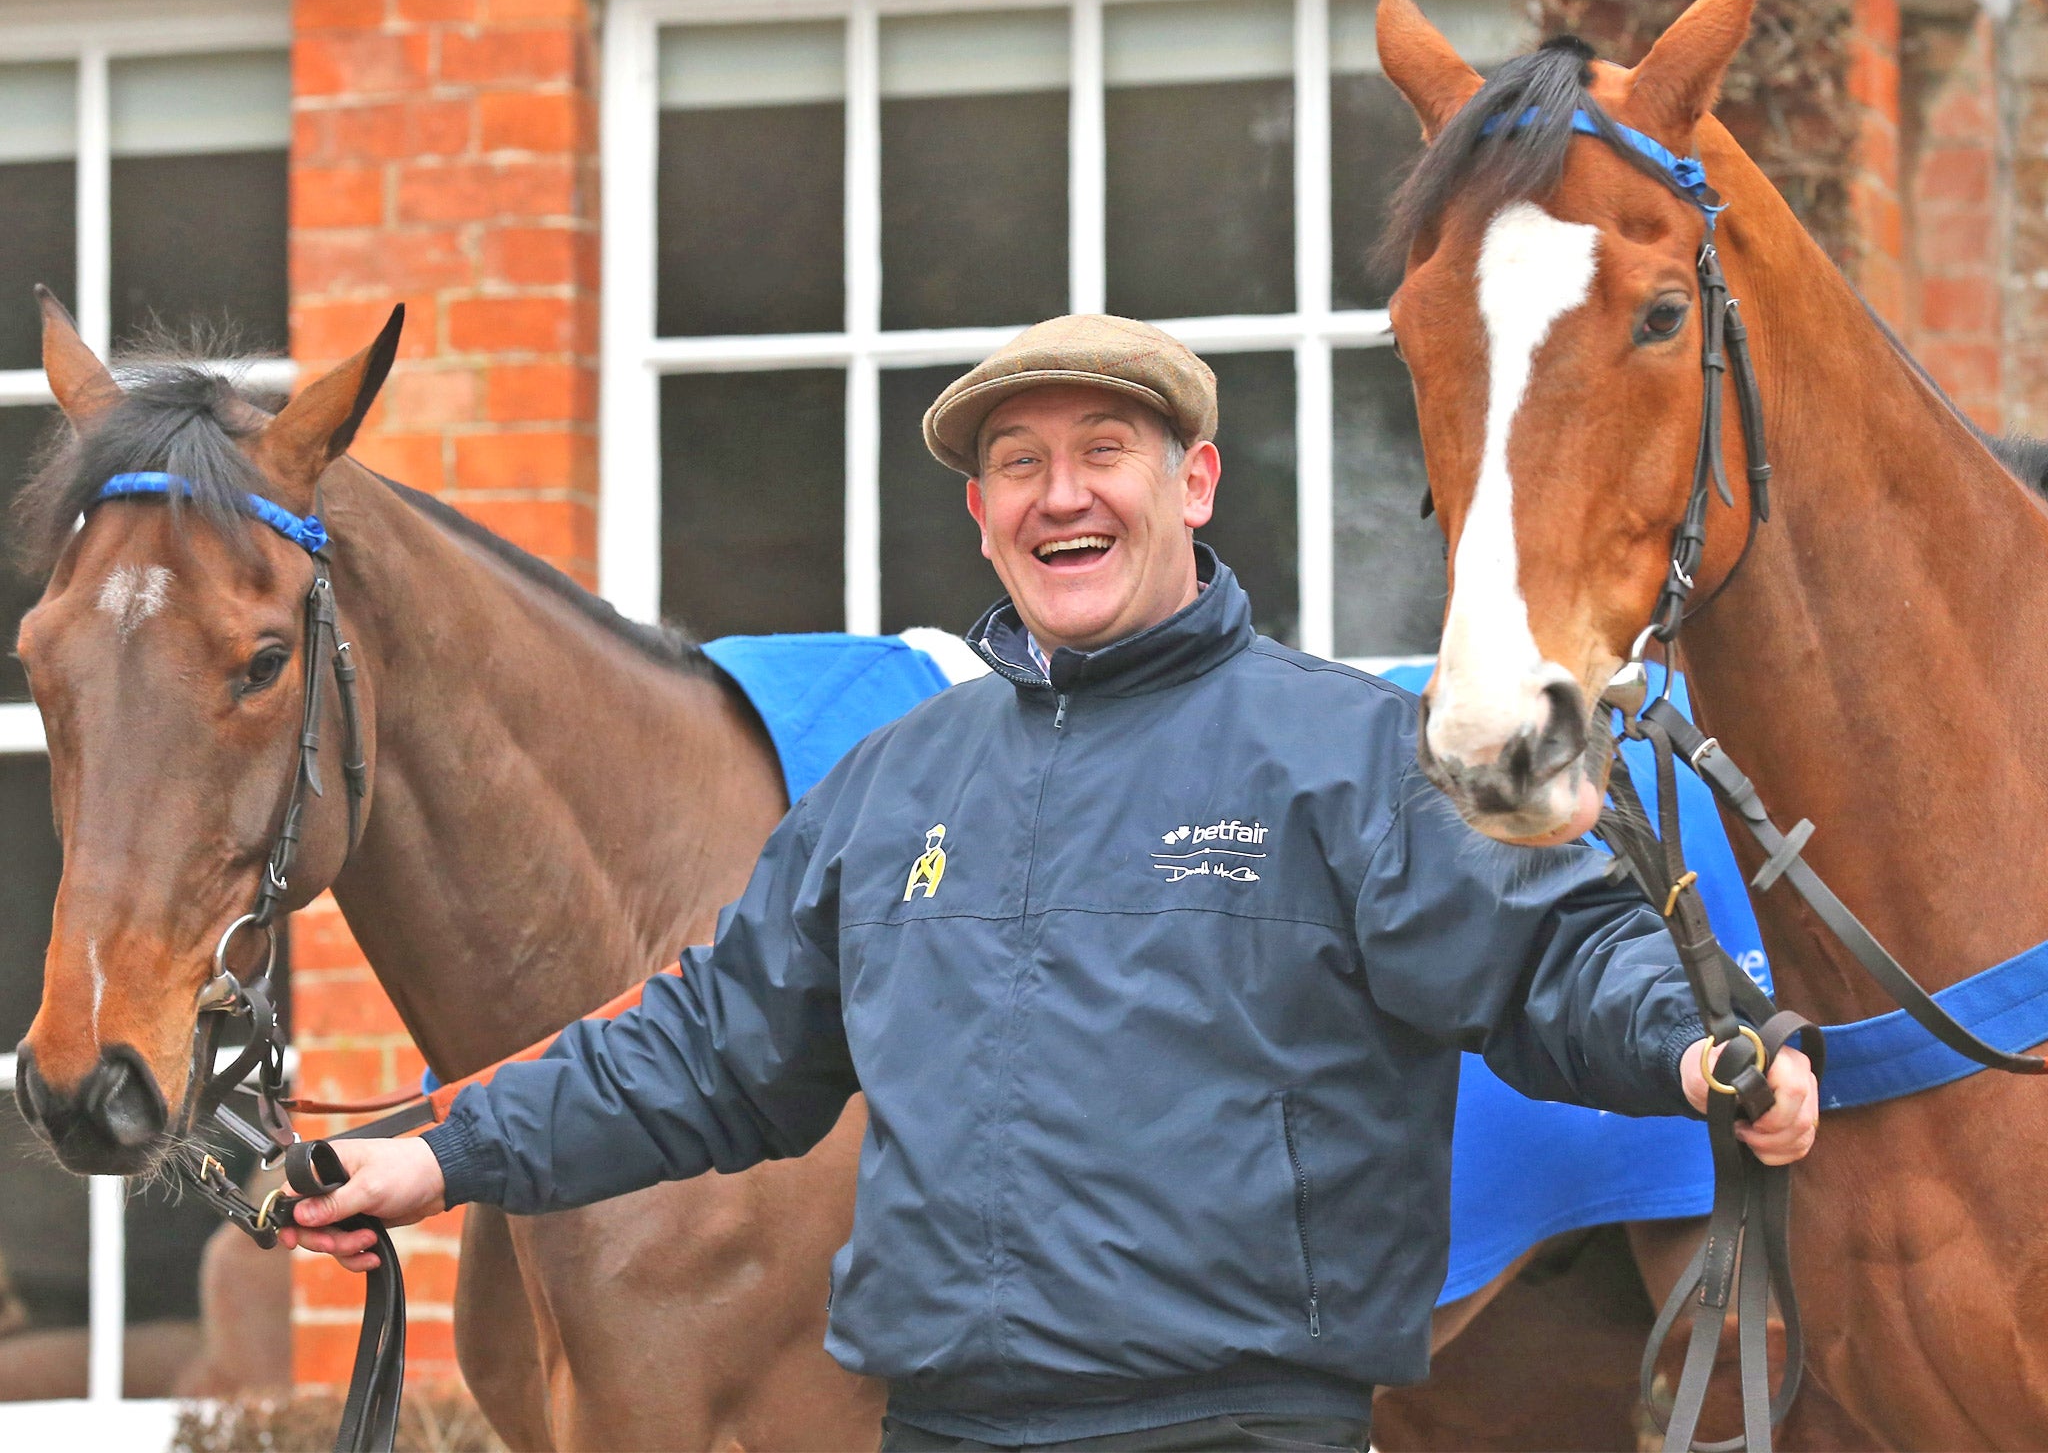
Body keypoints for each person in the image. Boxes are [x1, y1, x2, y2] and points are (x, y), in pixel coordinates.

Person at [281, 314, 1818, 1452]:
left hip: (1238, 1423)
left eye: (1103, 454)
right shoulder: (896, 785)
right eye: (1020, 466)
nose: (1059, 496)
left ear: (1195, 482)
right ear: (981, 512)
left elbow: (1550, 950)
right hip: (943, 1420)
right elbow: (703, 1046)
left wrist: (1697, 1044)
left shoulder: (1346, 757)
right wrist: (439, 1157)